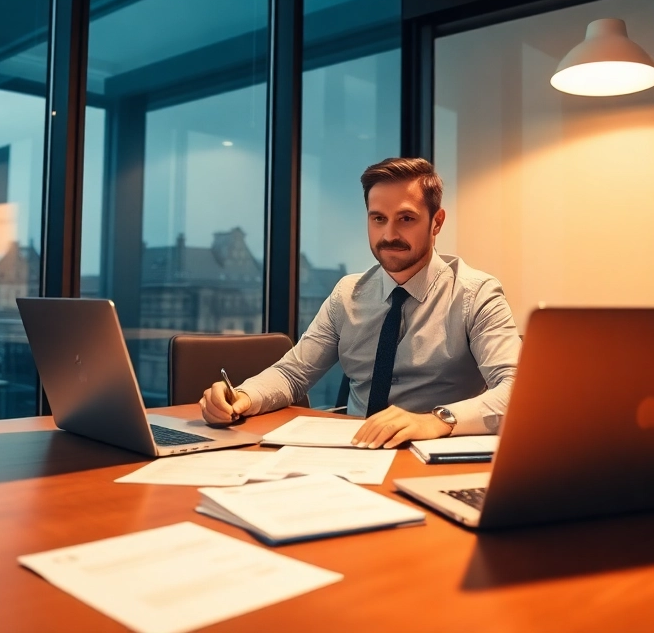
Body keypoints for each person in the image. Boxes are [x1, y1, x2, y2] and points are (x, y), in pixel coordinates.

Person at [200, 157, 521, 449]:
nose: (389, 234)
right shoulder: (347, 294)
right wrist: (241, 396)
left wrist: (435, 420)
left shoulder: (476, 294)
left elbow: (518, 391)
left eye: (406, 218)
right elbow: (292, 374)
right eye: (378, 218)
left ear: (436, 222)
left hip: (430, 459)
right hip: (351, 453)